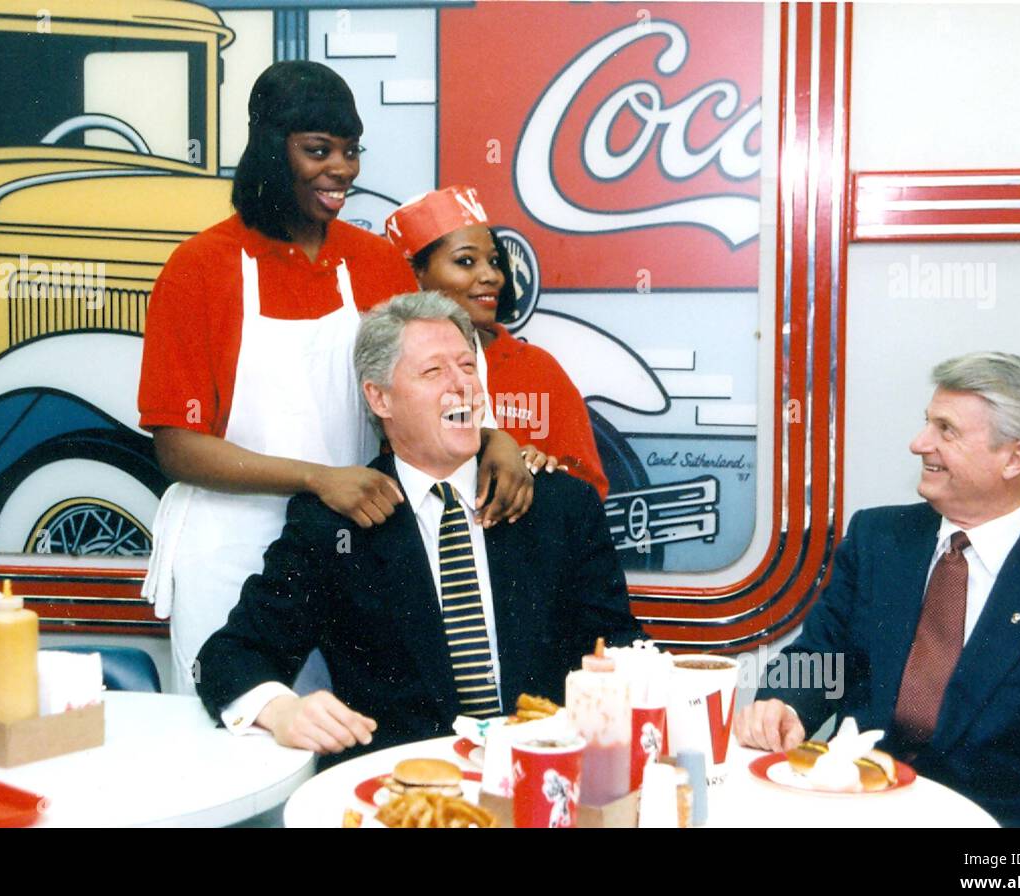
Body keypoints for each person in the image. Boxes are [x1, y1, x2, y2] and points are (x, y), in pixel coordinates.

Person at [138, 64, 535, 694]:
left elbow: (434, 382)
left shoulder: (375, 263)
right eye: (317, 150)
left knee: (348, 731)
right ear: (271, 149)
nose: (342, 169)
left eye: (350, 151)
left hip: (355, 540)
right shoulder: (199, 269)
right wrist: (318, 479)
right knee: (244, 725)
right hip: (231, 552)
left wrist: (495, 439)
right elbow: (176, 447)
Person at [195, 292, 645, 762]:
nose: (462, 386)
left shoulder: (559, 505)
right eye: (434, 372)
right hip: (397, 791)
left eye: (468, 368)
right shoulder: (332, 527)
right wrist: (283, 711)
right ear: (380, 397)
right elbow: (225, 659)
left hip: (542, 776)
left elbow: (618, 645)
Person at [734, 352, 1020, 827]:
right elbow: (824, 658)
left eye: (945, 430)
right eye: (927, 423)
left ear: (1015, 457)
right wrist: (786, 704)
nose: (918, 443)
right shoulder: (876, 540)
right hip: (850, 809)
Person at [385, 185, 609, 498]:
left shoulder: (537, 368)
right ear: (415, 273)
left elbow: (588, 487)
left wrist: (540, 476)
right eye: (465, 262)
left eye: (493, 261)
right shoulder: (392, 367)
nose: (492, 276)